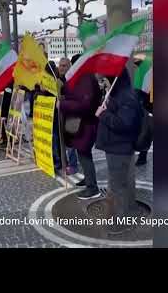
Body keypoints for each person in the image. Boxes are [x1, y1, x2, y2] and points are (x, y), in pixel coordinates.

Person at [95, 68, 142, 231]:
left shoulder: (126, 96)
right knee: (125, 182)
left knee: (117, 186)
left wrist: (103, 114)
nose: (106, 82)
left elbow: (124, 123)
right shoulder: (120, 94)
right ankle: (130, 211)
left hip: (119, 148)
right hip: (119, 146)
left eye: (108, 79)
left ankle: (119, 222)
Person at [59, 54, 102, 199]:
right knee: (82, 153)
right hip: (80, 124)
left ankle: (92, 188)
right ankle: (88, 179)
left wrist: (63, 104)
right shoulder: (82, 78)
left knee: (84, 154)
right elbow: (71, 93)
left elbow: (85, 104)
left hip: (86, 124)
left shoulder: (86, 79)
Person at [58, 57, 79, 176]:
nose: (61, 68)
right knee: (66, 141)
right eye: (60, 65)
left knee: (71, 142)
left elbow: (75, 97)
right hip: (63, 114)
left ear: (70, 66)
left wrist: (64, 99)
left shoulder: (73, 79)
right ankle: (68, 162)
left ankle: (74, 165)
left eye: (64, 65)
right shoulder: (59, 79)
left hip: (73, 115)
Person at [133, 59, 153, 166]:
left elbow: (143, 89)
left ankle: (142, 156)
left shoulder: (148, 71)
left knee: (146, 131)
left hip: (148, 106)